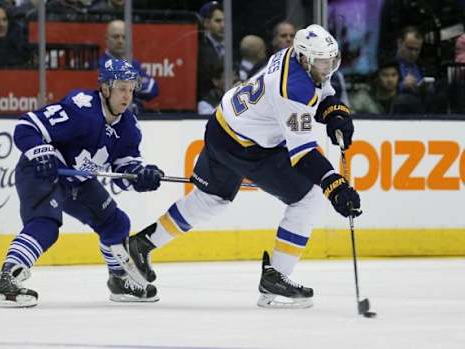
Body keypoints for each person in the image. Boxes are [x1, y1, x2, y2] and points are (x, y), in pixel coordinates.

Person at [127, 24, 361, 308]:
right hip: (248, 146)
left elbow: (321, 94)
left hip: (222, 127)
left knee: (210, 199)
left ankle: (143, 243)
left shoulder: (293, 57)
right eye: (323, 62)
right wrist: (334, 185)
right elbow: (303, 154)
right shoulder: (292, 89)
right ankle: (276, 279)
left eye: (331, 60)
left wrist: (335, 112)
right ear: (305, 58)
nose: (329, 67)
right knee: (309, 197)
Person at [0, 59, 164, 308]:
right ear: (105, 88)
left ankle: (119, 280)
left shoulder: (129, 127)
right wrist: (41, 153)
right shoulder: (82, 109)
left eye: (131, 88)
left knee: (116, 223)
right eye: (121, 88)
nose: (128, 95)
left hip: (77, 181)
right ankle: (6, 280)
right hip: (42, 171)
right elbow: (27, 126)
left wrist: (142, 176)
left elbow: (126, 171)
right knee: (46, 225)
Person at [99, 20, 158, 114]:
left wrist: (122, 84)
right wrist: (134, 85)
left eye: (124, 37)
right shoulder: (99, 64)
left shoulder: (134, 63)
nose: (120, 41)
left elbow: (152, 89)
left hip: (138, 119)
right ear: (106, 38)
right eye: (116, 37)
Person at [197, 1, 225, 100]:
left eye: (225, 20)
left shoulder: (231, 47)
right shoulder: (198, 49)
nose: (223, 25)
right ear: (206, 23)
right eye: (218, 21)